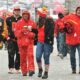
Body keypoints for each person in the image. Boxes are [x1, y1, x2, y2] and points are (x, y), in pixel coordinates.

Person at [15, 9, 37, 76]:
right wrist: (22, 31)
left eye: (26, 15)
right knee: (22, 57)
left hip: (29, 42)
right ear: (22, 15)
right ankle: (24, 71)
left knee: (30, 56)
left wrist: (31, 34)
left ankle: (31, 69)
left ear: (28, 15)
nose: (25, 16)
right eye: (24, 15)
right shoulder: (18, 23)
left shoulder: (32, 23)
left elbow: (35, 33)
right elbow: (16, 34)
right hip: (21, 43)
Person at [59, 6, 80, 74]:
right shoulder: (70, 16)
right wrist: (63, 28)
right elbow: (61, 22)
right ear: (76, 11)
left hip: (79, 40)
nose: (79, 11)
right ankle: (73, 68)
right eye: (78, 10)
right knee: (72, 56)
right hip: (71, 40)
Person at [36, 7, 54, 79]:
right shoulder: (39, 21)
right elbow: (36, 30)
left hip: (47, 42)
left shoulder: (49, 20)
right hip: (39, 41)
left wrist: (50, 42)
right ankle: (40, 69)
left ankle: (46, 72)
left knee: (46, 57)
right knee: (38, 56)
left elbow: (51, 31)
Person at [6, 6, 22, 74]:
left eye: (18, 10)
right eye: (16, 10)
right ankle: (11, 67)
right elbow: (6, 28)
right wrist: (7, 37)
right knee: (10, 53)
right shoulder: (8, 19)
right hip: (11, 38)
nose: (17, 11)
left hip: (19, 39)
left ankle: (17, 67)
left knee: (19, 54)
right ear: (13, 11)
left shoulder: (22, 19)